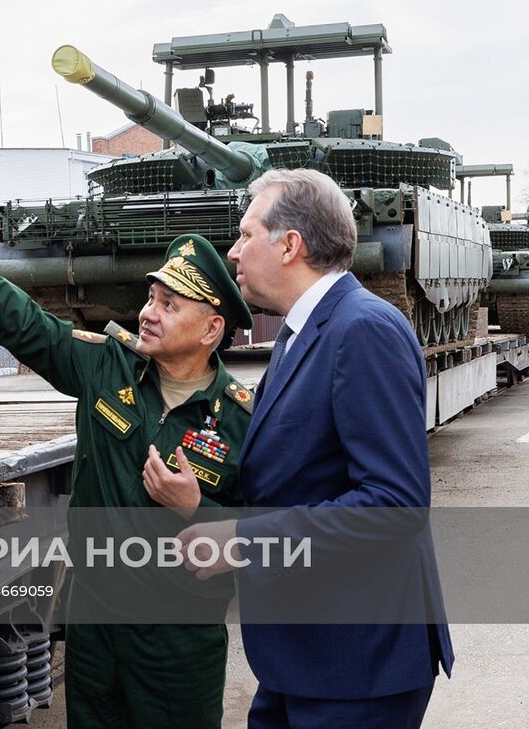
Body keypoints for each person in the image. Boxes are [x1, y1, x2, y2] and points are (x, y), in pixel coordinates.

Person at [0, 174, 255, 728]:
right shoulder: (107, 366)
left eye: (170, 304)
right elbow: (23, 324)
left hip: (177, 646)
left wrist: (194, 510)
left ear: (211, 328)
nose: (149, 312)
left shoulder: (240, 419)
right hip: (95, 631)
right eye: (151, 297)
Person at [177, 169, 454, 727]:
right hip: (307, 657)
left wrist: (242, 540)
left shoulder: (362, 329)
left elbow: (394, 505)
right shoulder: (302, 333)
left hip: (356, 667)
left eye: (246, 235)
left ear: (290, 245)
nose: (233, 252)